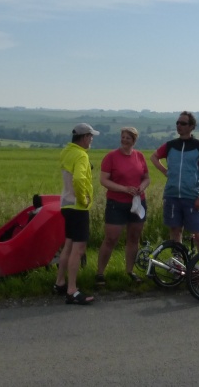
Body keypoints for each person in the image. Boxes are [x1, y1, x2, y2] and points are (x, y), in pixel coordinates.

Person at [96, 127, 150, 285]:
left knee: (133, 238)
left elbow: (147, 178)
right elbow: (104, 180)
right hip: (116, 203)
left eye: (128, 138)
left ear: (134, 140)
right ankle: (100, 273)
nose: (125, 140)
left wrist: (142, 187)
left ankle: (129, 271)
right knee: (111, 238)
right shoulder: (111, 157)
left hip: (138, 202)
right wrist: (124, 189)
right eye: (123, 137)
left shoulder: (139, 156)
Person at [150, 111, 199, 251]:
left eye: (183, 123)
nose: (179, 126)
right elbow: (154, 157)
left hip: (192, 197)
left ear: (191, 126)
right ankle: (178, 265)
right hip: (172, 196)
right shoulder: (170, 145)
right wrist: (165, 171)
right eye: (177, 123)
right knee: (175, 232)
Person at [54, 122, 98, 305]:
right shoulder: (81, 155)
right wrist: (83, 199)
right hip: (78, 207)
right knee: (78, 250)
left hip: (65, 204)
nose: (92, 140)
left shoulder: (66, 152)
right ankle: (72, 290)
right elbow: (79, 179)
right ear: (84, 137)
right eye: (91, 136)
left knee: (68, 245)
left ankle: (60, 282)